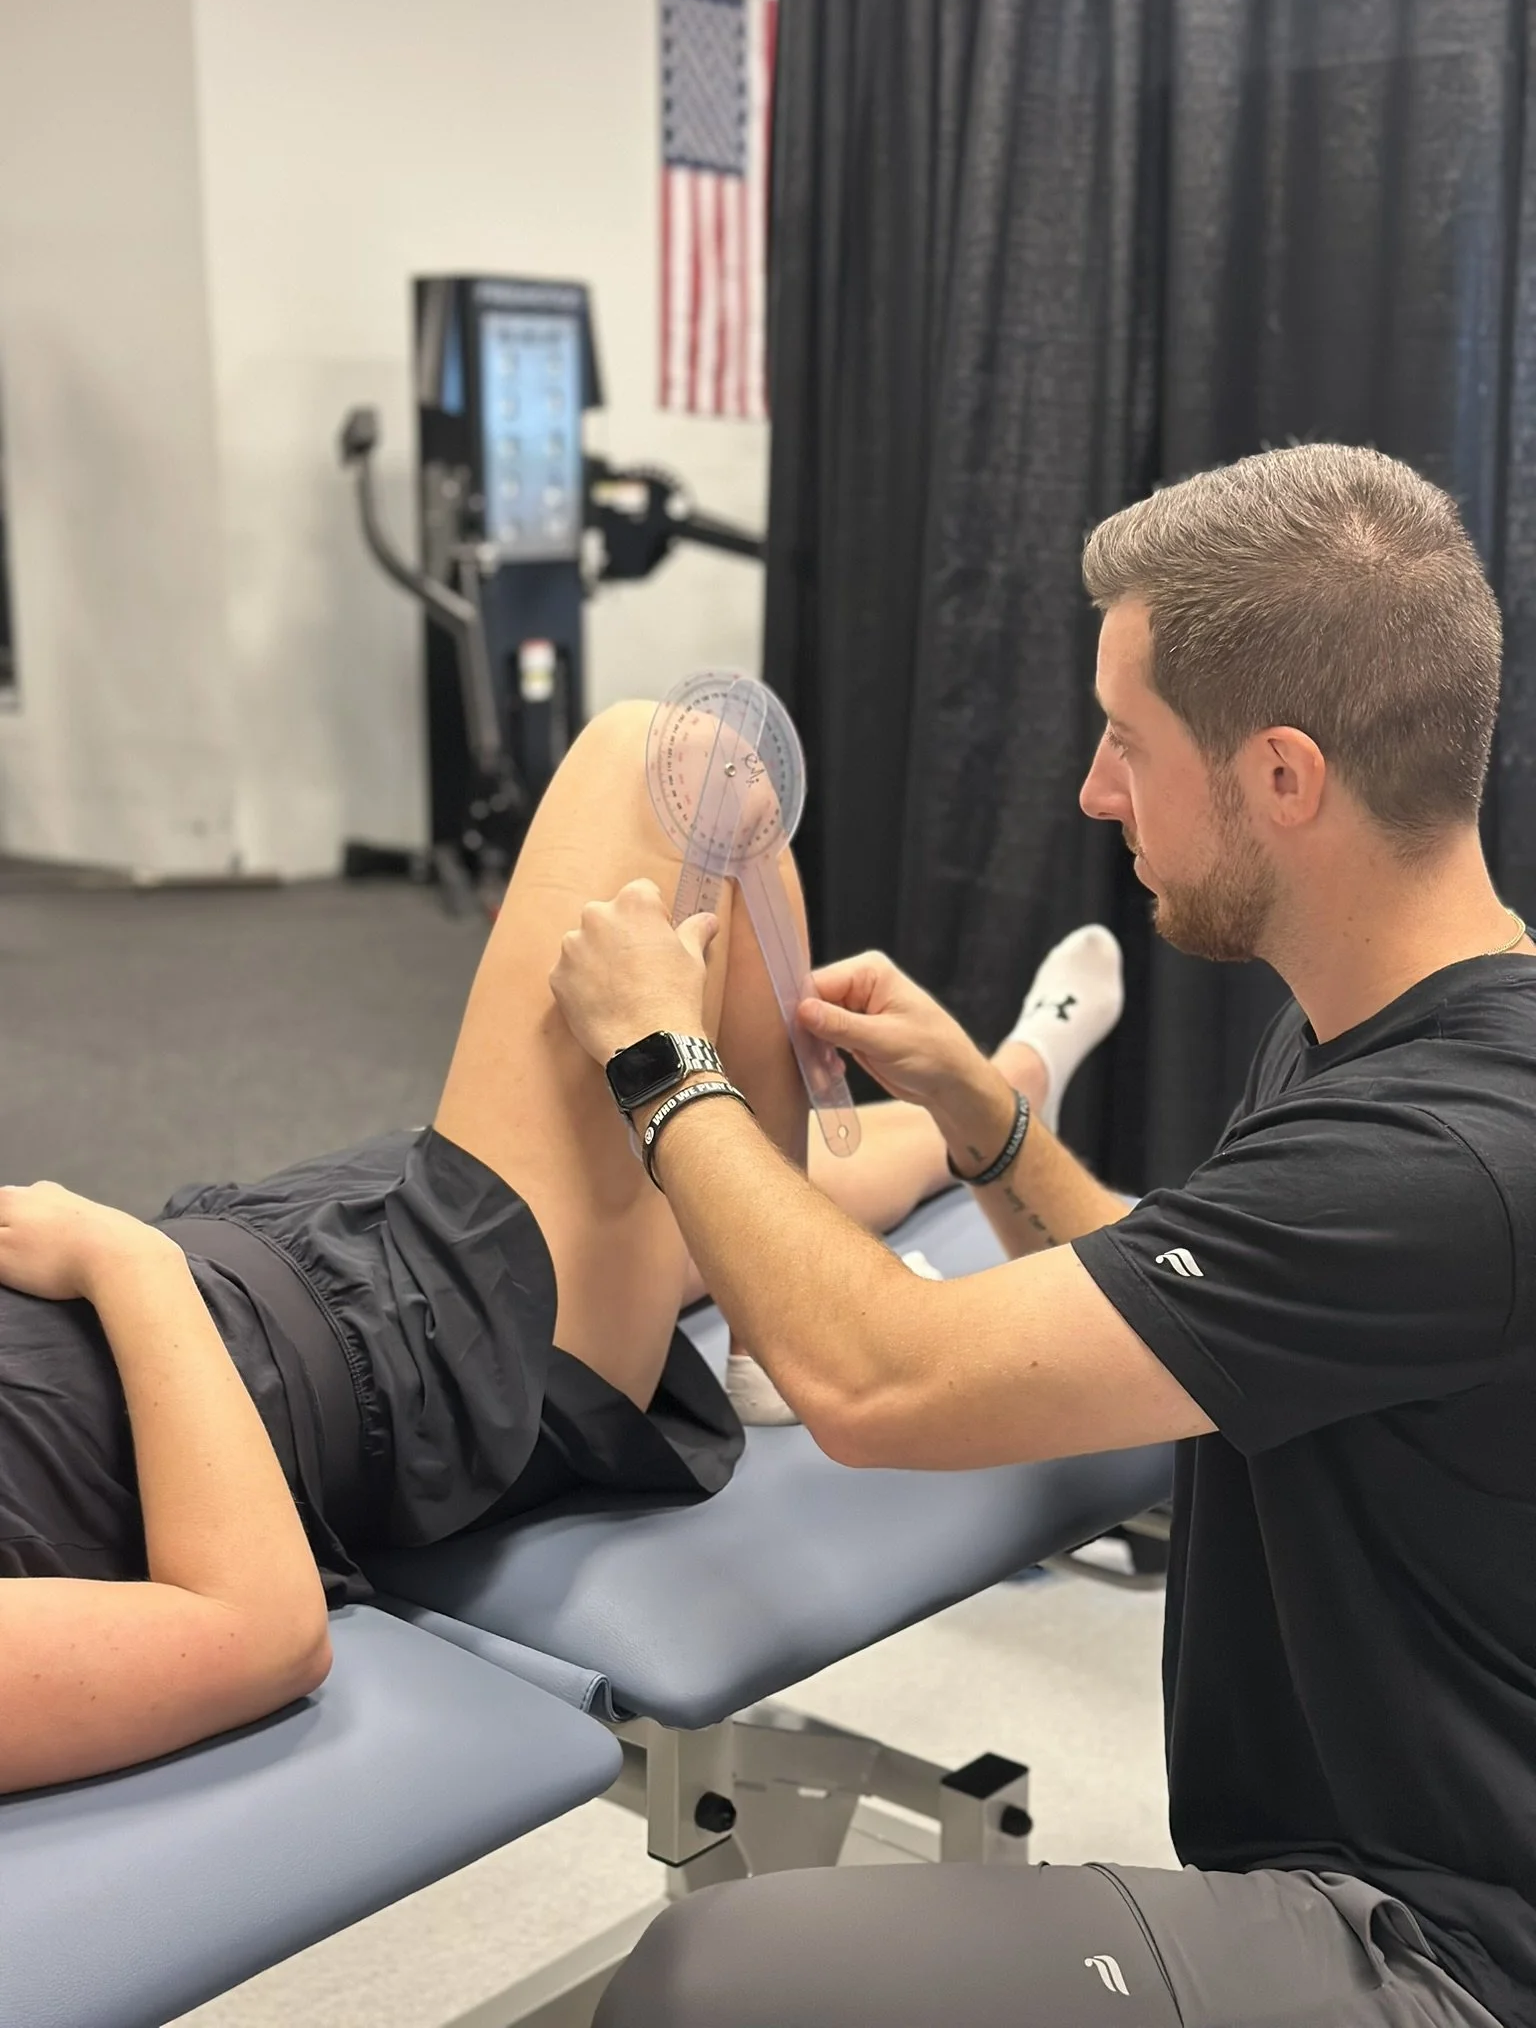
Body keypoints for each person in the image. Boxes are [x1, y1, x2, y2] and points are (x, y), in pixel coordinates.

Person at [554, 446, 1536, 2028]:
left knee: (715, 1982)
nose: (1093, 787)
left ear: (1285, 778)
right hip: (1376, 1861)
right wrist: (985, 1117)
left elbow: (877, 1384)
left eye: (1128, 743)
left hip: (1450, 1954)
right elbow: (1199, 1301)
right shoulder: (1399, 1027)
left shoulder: (1445, 1158)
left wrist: (662, 1063)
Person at [0, 691, 1120, 1796]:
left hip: (272, 1255)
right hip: (423, 1362)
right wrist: (119, 1264)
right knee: (690, 762)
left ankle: (1008, 1090)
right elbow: (259, 1633)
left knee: (699, 1195)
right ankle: (787, 1335)